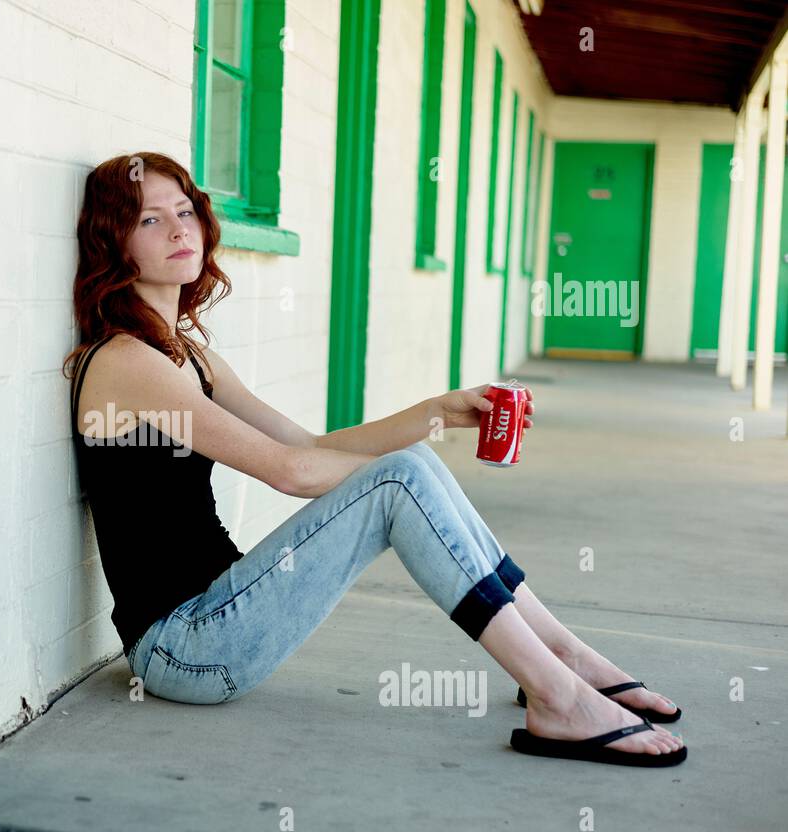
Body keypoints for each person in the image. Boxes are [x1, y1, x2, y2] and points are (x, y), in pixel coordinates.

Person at [62, 152, 685, 767]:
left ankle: (563, 660)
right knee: (403, 478)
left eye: (185, 211)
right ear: (114, 242)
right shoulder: (124, 361)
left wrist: (435, 413)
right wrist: (401, 478)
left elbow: (305, 445)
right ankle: (558, 696)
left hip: (225, 607)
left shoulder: (188, 355)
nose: (178, 230)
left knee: (412, 466)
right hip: (183, 647)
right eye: (149, 220)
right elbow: (289, 472)